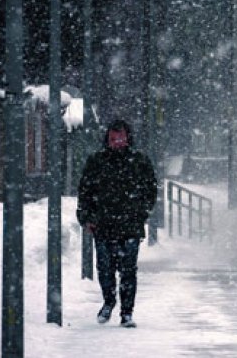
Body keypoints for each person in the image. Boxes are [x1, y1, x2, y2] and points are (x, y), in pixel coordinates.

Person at [77, 119, 157, 328]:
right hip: (103, 224)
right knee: (105, 268)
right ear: (108, 139)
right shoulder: (97, 162)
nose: (117, 142)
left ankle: (127, 312)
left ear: (128, 138)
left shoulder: (139, 161)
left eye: (120, 138)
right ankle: (109, 301)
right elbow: (85, 191)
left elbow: (150, 190)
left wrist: (141, 213)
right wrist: (86, 217)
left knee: (128, 270)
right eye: (113, 139)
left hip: (130, 224)